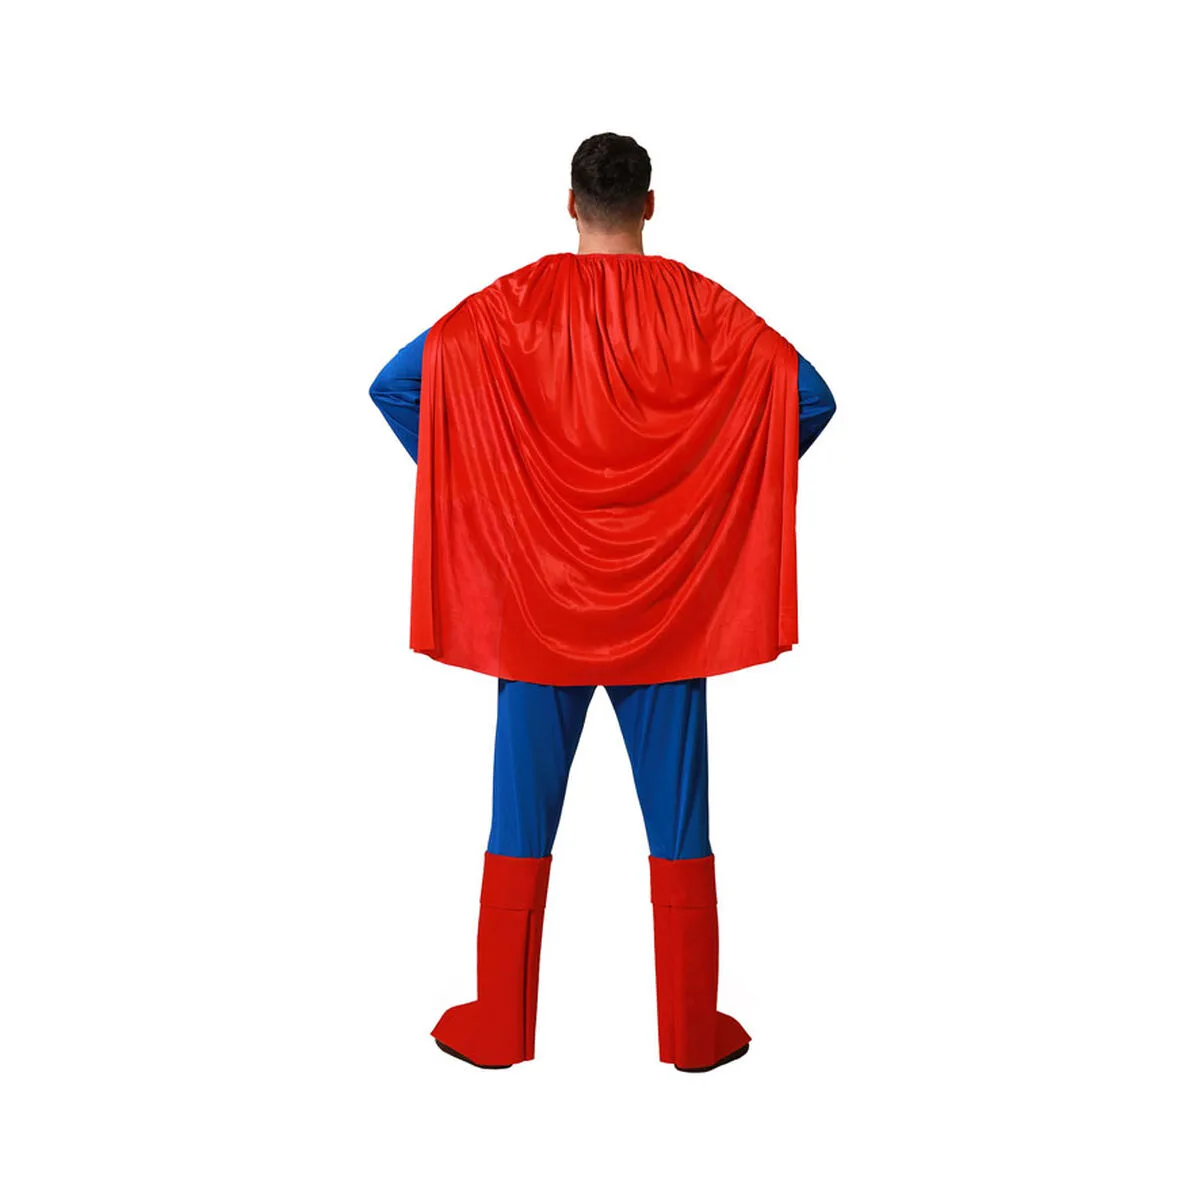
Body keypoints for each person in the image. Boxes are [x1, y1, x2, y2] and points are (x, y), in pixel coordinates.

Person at [369, 132, 835, 1072]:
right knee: (681, 828)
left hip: (537, 612)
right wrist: (713, 492)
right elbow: (809, 399)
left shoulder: (511, 308)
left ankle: (499, 1027)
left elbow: (399, 385)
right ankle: (692, 1036)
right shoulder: (705, 310)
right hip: (670, 612)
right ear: (649, 205)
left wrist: (489, 487)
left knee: (517, 826)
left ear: (571, 203)